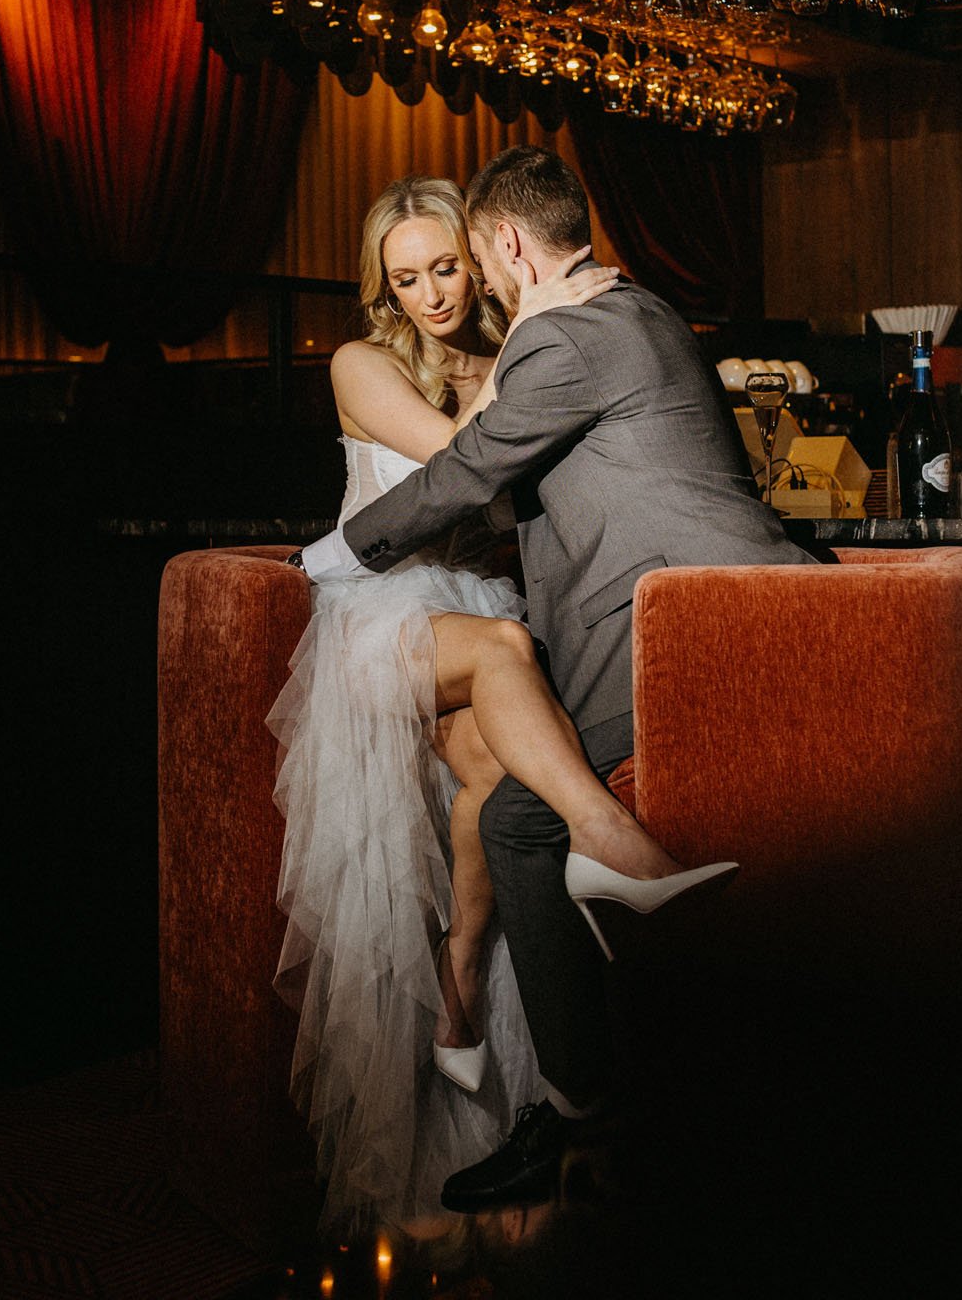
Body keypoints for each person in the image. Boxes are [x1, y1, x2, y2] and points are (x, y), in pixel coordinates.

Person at [295, 145, 812, 1213]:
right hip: (435, 619)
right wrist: (332, 562)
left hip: (648, 632)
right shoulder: (626, 315)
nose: (451, 290)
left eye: (459, 263)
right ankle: (548, 1069)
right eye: (413, 276)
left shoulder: (556, 340)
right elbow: (462, 469)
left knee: (519, 812)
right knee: (517, 788)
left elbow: (476, 473)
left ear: (503, 247)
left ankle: (567, 1102)